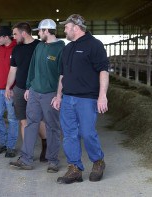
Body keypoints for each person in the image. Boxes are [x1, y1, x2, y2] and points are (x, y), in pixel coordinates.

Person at [52, 14, 109, 184]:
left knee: (87, 132)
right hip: (68, 98)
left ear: (76, 27)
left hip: (87, 99)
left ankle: (98, 161)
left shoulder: (95, 45)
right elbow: (62, 75)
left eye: (66, 27)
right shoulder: (67, 48)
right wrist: (58, 95)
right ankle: (75, 168)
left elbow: (103, 71)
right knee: (69, 134)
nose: (64, 30)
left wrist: (102, 96)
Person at [9, 19, 64, 171]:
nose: (38, 33)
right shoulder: (39, 46)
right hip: (34, 92)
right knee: (31, 124)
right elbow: (32, 68)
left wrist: (59, 95)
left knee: (52, 126)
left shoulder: (60, 48)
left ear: (46, 31)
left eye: (40, 31)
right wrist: (28, 87)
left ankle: (53, 160)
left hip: (50, 94)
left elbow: (62, 74)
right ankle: (26, 158)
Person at [5, 22, 48, 162]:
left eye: (15, 34)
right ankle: (26, 152)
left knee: (38, 120)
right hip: (19, 89)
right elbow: (13, 70)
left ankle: (45, 145)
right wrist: (8, 87)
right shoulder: (16, 49)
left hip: (36, 90)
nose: (14, 37)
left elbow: (44, 70)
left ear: (24, 33)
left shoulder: (39, 47)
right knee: (23, 120)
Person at [0, 26, 19, 158]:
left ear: (6, 37)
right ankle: (2, 142)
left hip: (11, 90)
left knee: (12, 118)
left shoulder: (17, 49)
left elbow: (19, 71)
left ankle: (11, 146)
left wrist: (14, 88)